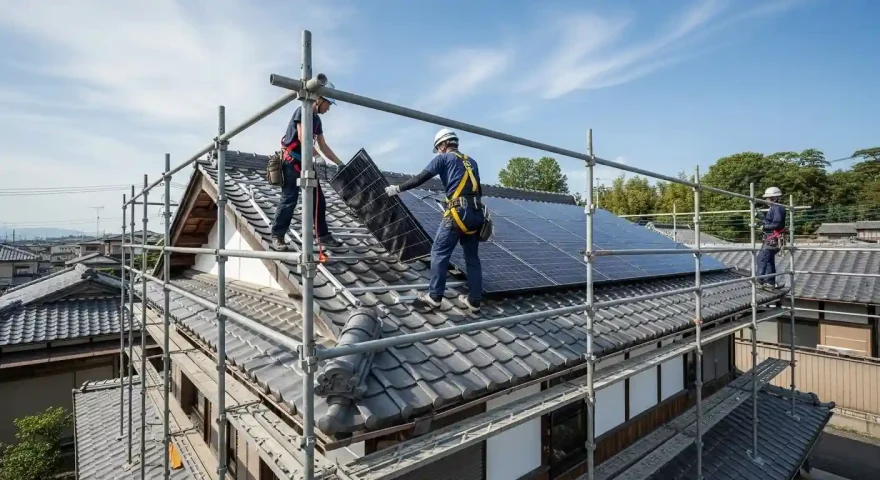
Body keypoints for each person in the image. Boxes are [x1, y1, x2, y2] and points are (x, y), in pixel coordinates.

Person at [385, 128, 483, 312]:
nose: (439, 151)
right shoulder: (472, 161)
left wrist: (397, 188)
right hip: (476, 214)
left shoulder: (443, 158)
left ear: (444, 145)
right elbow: (477, 191)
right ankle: (474, 300)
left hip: (458, 213)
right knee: (472, 258)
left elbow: (422, 177)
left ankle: (434, 296)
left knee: (439, 252)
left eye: (439, 147)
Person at [270, 83, 344, 252]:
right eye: (328, 104)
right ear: (319, 99)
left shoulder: (317, 120)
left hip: (306, 163)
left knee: (319, 199)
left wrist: (339, 162)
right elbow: (303, 137)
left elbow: (323, 145)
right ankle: (278, 235)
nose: (329, 108)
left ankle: (323, 235)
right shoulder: (302, 111)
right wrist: (317, 156)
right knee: (290, 199)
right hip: (291, 162)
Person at [758, 186, 786, 288]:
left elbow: (777, 224)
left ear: (774, 198)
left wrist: (764, 226)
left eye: (768, 198)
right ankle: (770, 282)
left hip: (773, 239)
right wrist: (763, 221)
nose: (766, 200)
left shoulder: (778, 207)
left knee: (762, 259)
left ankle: (759, 281)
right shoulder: (775, 208)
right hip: (774, 239)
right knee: (769, 260)